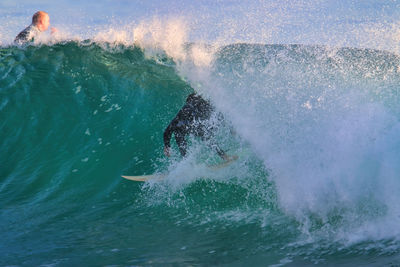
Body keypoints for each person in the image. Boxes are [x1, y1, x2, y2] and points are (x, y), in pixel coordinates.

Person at [163, 92, 231, 161]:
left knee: (179, 136)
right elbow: (218, 115)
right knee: (206, 138)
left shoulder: (184, 109)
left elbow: (167, 131)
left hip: (180, 126)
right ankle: (225, 156)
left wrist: (167, 146)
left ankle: (186, 163)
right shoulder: (202, 103)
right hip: (192, 125)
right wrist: (230, 128)